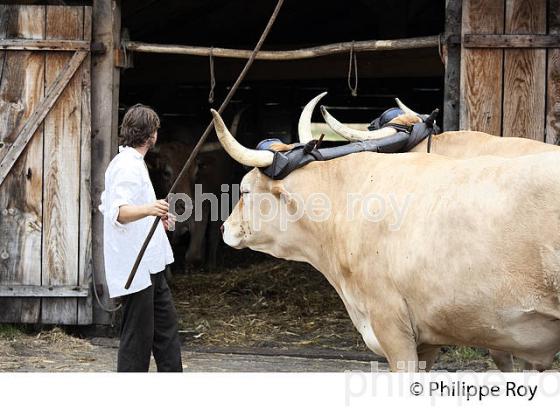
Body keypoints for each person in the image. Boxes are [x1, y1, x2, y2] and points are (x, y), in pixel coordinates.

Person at [99, 103, 182, 372]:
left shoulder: (135, 163)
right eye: (155, 130)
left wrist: (158, 216)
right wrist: (151, 208)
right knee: (138, 336)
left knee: (166, 329)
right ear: (151, 135)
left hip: (150, 263)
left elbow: (134, 208)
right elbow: (119, 212)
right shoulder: (125, 165)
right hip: (135, 265)